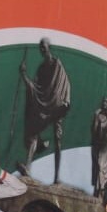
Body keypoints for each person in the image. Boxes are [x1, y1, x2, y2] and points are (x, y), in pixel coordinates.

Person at [17, 37, 71, 184]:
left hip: (57, 105)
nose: (42, 49)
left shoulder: (57, 65)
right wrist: (23, 75)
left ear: (49, 47)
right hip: (44, 106)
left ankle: (57, 177)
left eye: (44, 46)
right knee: (33, 133)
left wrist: (61, 103)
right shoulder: (41, 69)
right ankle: (28, 167)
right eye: (40, 47)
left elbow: (63, 84)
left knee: (58, 140)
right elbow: (35, 89)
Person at [90, 95, 107, 197]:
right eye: (103, 101)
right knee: (100, 167)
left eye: (106, 102)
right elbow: (94, 131)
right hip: (100, 146)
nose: (104, 103)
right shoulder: (98, 115)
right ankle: (99, 189)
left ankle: (103, 191)